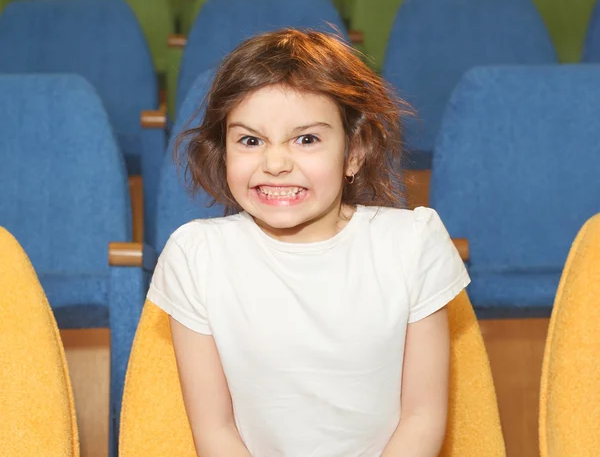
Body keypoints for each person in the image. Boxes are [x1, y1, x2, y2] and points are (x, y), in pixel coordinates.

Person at [147, 28, 470, 457]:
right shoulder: (195, 256)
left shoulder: (413, 244)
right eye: (250, 140)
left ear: (354, 152)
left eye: (306, 139)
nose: (276, 163)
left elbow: (422, 418)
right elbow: (216, 430)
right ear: (223, 152)